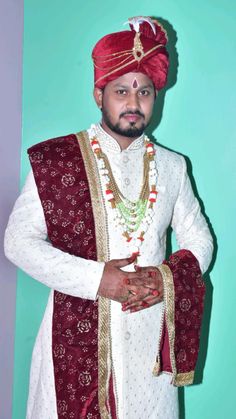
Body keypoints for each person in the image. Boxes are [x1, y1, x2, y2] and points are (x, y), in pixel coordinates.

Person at [4, 16, 213, 419]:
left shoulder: (172, 167)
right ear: (98, 94)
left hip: (147, 342)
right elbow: (17, 241)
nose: (133, 104)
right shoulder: (58, 161)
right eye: (121, 91)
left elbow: (200, 241)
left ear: (156, 97)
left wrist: (164, 278)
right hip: (73, 337)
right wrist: (101, 280)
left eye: (145, 93)